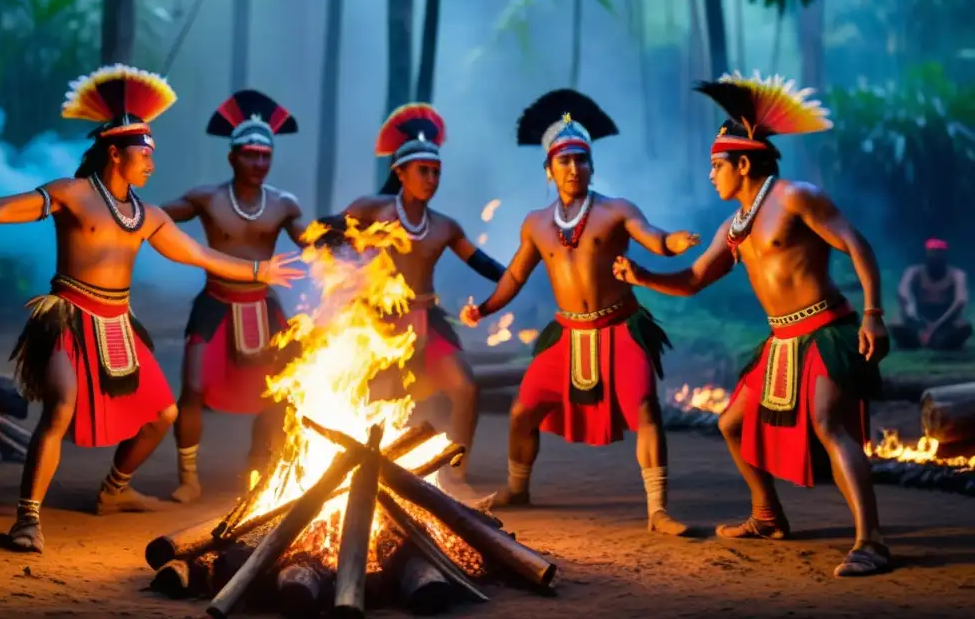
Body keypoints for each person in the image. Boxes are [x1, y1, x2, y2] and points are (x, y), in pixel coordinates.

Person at [0, 65, 303, 554]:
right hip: (67, 317)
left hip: (119, 324)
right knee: (60, 409)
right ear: (115, 153)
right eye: (145, 154)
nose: (152, 164)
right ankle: (26, 519)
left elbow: (200, 255)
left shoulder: (146, 215)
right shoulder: (71, 194)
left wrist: (259, 271)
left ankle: (115, 491)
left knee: (163, 413)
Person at [613, 72, 890, 576]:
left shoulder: (795, 197)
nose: (711, 176)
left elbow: (857, 245)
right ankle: (768, 515)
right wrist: (642, 274)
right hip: (782, 341)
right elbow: (695, 279)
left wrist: (873, 314)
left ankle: (870, 542)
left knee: (831, 424)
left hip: (827, 330)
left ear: (743, 163)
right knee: (730, 423)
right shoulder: (734, 227)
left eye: (716, 166)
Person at [459, 89, 700, 536]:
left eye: (581, 160)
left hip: (621, 327)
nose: (574, 169)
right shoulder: (535, 223)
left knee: (646, 408)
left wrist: (674, 243)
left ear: (592, 165)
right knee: (521, 413)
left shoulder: (617, 211)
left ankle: (658, 510)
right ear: (549, 170)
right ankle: (518, 488)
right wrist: (485, 309)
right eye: (564, 161)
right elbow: (514, 276)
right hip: (567, 334)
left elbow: (654, 237)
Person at [323, 103, 506, 480]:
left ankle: (456, 474)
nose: (431, 178)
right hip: (378, 322)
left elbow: (485, 264)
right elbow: (324, 237)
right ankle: (368, 475)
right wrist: (345, 278)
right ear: (400, 172)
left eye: (437, 172)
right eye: (423, 170)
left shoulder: (445, 227)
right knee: (380, 399)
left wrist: (521, 278)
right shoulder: (370, 209)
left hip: (428, 319)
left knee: (466, 388)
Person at [161, 90, 308, 504]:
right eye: (250, 155)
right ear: (232, 157)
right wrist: (117, 202)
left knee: (278, 391)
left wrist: (343, 236)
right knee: (191, 388)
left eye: (265, 155)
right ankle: (188, 477)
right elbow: (156, 217)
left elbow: (310, 241)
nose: (259, 163)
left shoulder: (283, 203)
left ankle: (258, 462)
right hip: (215, 304)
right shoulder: (206, 198)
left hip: (264, 306)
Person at [889, 239, 971, 351]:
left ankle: (936, 341)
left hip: (946, 315)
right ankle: (920, 339)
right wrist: (918, 320)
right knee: (896, 325)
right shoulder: (913, 272)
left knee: (964, 328)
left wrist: (936, 325)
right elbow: (903, 294)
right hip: (919, 314)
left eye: (939, 253)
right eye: (932, 253)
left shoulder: (957, 274)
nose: (936, 257)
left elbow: (960, 300)